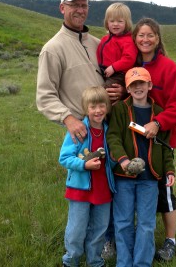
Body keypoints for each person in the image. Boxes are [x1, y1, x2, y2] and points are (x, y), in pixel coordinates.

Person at [36, 0, 125, 145]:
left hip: (111, 127)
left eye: (84, 6)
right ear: (62, 8)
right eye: (74, 5)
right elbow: (45, 96)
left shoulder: (98, 43)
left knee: (114, 169)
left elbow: (118, 73)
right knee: (83, 169)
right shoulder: (53, 49)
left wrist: (122, 90)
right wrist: (68, 119)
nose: (80, 10)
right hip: (82, 131)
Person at [107, 67, 175, 267]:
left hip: (150, 179)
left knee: (146, 224)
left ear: (149, 85)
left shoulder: (159, 114)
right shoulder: (120, 109)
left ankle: (142, 263)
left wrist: (169, 171)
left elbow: (166, 147)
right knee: (123, 223)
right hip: (124, 177)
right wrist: (123, 161)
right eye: (133, 85)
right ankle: (124, 263)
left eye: (142, 83)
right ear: (127, 89)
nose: (138, 88)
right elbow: (113, 137)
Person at [133, 18, 176, 262]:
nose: (145, 39)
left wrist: (158, 123)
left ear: (158, 38)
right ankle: (136, 235)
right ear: (135, 38)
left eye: (150, 35)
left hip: (161, 143)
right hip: (132, 141)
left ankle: (170, 241)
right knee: (132, 189)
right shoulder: (131, 67)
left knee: (164, 193)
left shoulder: (168, 68)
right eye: (141, 35)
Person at [59, 86, 116, 267]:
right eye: (93, 107)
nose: (98, 111)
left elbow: (112, 162)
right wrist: (84, 165)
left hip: (103, 189)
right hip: (80, 189)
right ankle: (71, 260)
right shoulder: (78, 131)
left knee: (99, 230)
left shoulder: (109, 132)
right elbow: (65, 158)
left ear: (107, 107)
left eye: (101, 106)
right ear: (86, 109)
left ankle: (95, 261)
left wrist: (114, 160)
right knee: (76, 229)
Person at [96, 2, 137, 88]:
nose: (115, 24)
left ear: (127, 23)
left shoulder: (128, 40)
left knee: (106, 91)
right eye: (112, 21)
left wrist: (114, 67)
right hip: (104, 70)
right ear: (107, 23)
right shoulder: (105, 39)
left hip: (119, 74)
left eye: (120, 21)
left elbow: (129, 59)